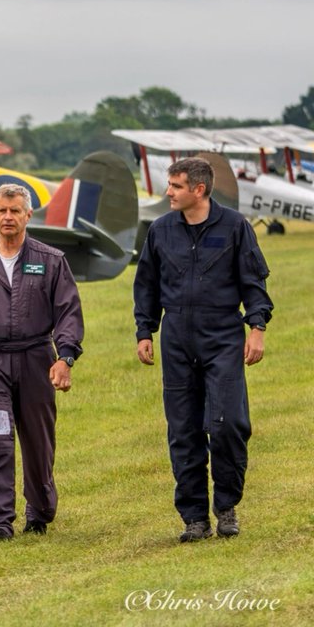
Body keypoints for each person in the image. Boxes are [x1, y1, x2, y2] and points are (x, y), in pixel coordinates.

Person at [134, 157, 272, 543]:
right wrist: (144, 330)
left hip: (223, 335)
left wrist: (256, 328)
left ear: (199, 189)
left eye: (176, 186)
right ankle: (194, 517)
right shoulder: (160, 230)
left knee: (227, 424)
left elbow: (253, 282)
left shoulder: (234, 227)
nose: (168, 192)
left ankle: (226, 507)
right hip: (176, 336)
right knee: (183, 431)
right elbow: (146, 284)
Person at [0, 182, 83, 542]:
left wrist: (65, 357)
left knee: (38, 444)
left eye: (15, 211)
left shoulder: (51, 261)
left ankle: (39, 511)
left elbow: (68, 313)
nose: (8, 217)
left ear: (28, 215)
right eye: (2, 211)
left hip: (36, 359)